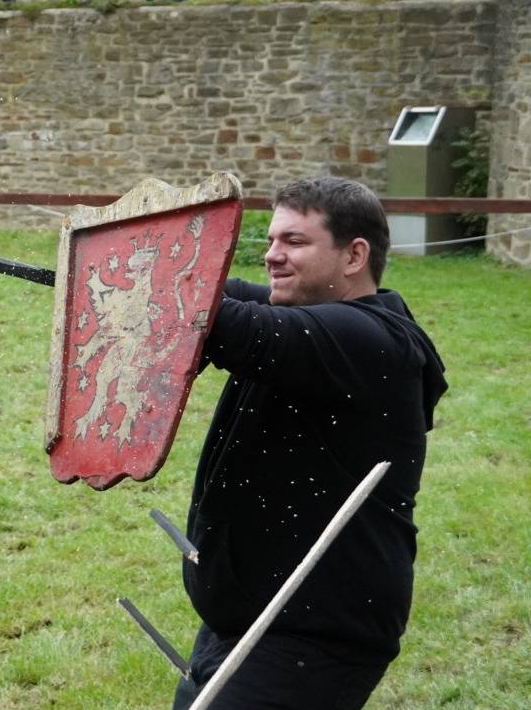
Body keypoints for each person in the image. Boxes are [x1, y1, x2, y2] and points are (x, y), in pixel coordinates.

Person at [172, 176, 448, 709]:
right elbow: (221, 290)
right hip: (253, 617)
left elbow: (222, 320)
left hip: (314, 638)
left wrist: (127, 275)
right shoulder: (308, 316)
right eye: (271, 240)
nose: (272, 255)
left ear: (354, 256)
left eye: (295, 242)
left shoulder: (368, 340)